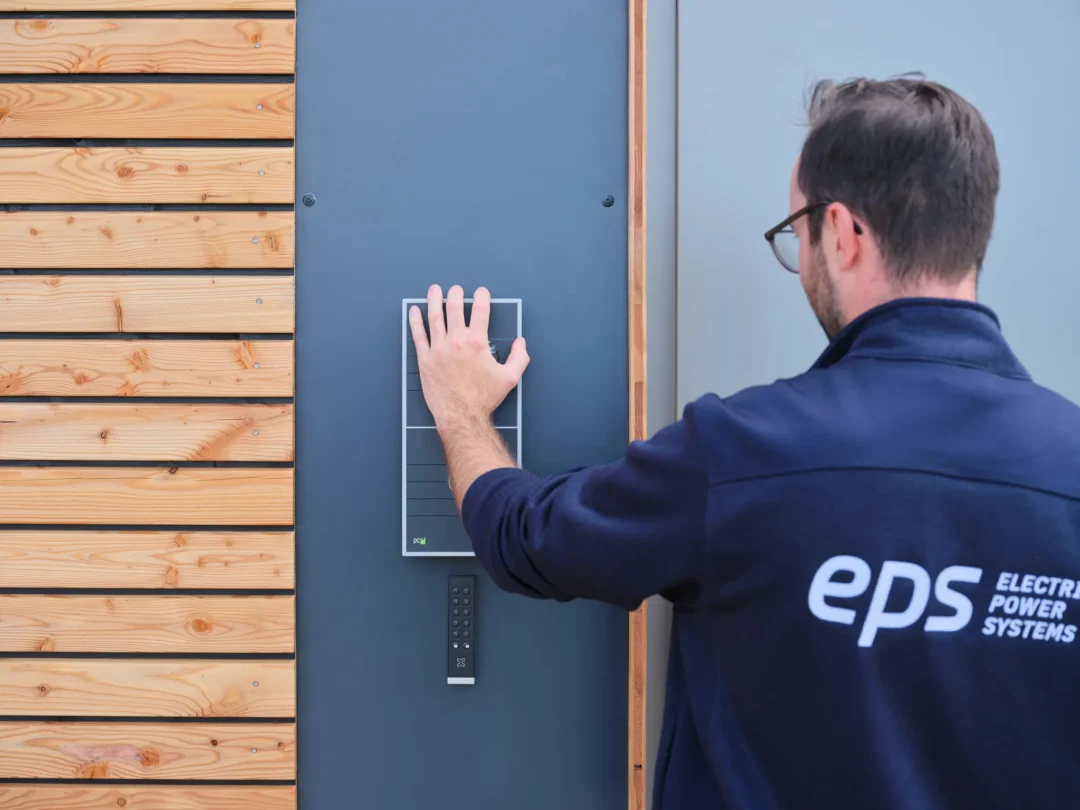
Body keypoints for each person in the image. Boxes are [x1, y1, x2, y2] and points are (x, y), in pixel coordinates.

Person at [408, 77, 1080, 809]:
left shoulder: (742, 455)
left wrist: (461, 412)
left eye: (797, 230)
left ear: (845, 233)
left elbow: (528, 537)